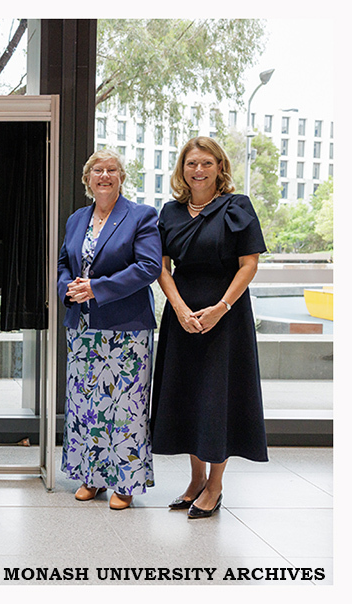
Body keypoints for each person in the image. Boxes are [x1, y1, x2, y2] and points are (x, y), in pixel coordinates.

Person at [150, 136, 268, 519]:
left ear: (220, 166)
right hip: (182, 315)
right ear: (181, 169)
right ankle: (196, 478)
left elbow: (249, 264)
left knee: (218, 397)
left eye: (205, 163)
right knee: (187, 394)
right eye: (190, 164)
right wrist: (180, 308)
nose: (197, 170)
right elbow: (161, 268)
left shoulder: (237, 206)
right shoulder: (169, 211)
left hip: (225, 315)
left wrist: (221, 307)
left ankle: (215, 485)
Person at [57, 149, 162, 510]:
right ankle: (92, 477)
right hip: (82, 326)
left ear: (121, 177)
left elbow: (148, 267)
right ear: (88, 179)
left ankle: (125, 483)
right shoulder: (76, 219)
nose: (105, 175)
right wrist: (67, 290)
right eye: (97, 170)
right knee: (87, 405)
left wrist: (97, 288)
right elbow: (63, 263)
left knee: (124, 406)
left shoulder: (141, 216)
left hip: (126, 329)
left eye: (112, 170)